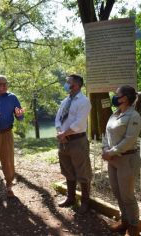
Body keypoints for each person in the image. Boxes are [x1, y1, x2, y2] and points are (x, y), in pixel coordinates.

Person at [102, 85, 141, 236]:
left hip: (127, 160)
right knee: (118, 193)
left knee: (127, 196)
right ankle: (125, 221)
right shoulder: (114, 114)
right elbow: (106, 134)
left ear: (124, 98)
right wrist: (105, 149)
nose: (114, 96)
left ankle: (134, 227)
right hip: (113, 160)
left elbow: (129, 140)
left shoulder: (134, 116)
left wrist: (111, 152)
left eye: (116, 94)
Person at [55, 74, 92, 214]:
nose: (65, 84)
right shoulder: (65, 101)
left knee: (83, 172)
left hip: (77, 141)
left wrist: (64, 134)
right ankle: (70, 198)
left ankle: (85, 202)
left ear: (76, 85)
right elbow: (58, 118)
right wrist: (60, 133)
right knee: (67, 170)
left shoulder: (84, 101)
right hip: (63, 141)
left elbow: (79, 123)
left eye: (68, 82)